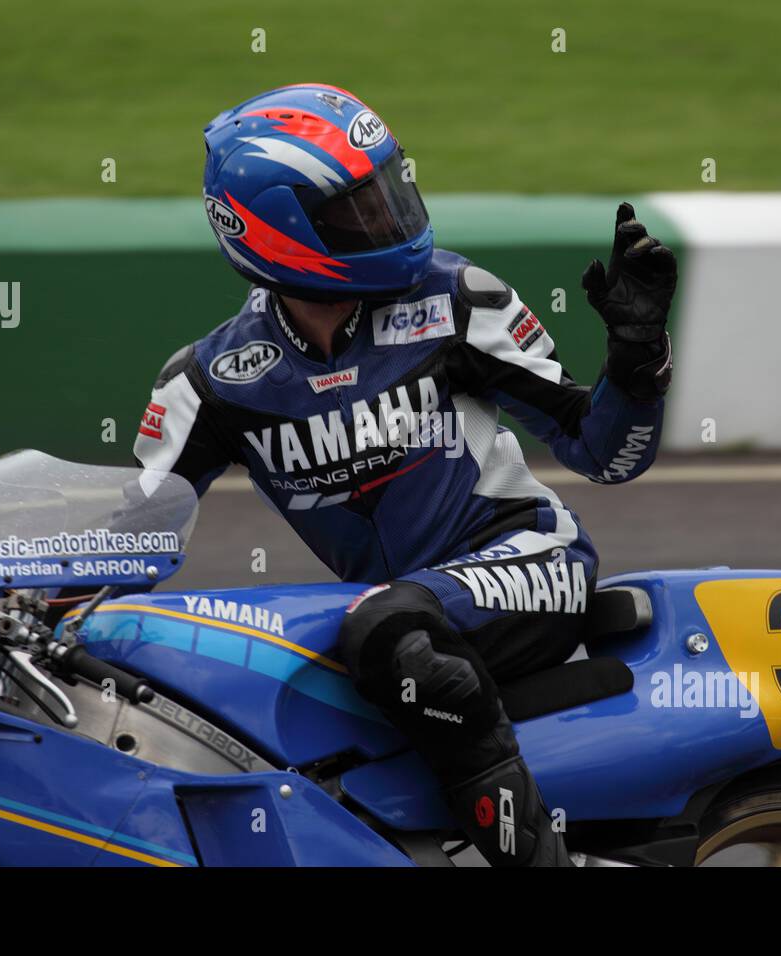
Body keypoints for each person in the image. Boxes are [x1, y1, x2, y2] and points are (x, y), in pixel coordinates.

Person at [134, 83, 675, 866]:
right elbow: (130, 545)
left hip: (533, 565)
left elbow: (607, 456)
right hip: (391, 614)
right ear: (277, 232)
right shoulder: (209, 382)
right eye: (358, 207)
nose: (390, 217)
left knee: (390, 630)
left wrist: (636, 362)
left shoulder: (456, 300)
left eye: (391, 190)